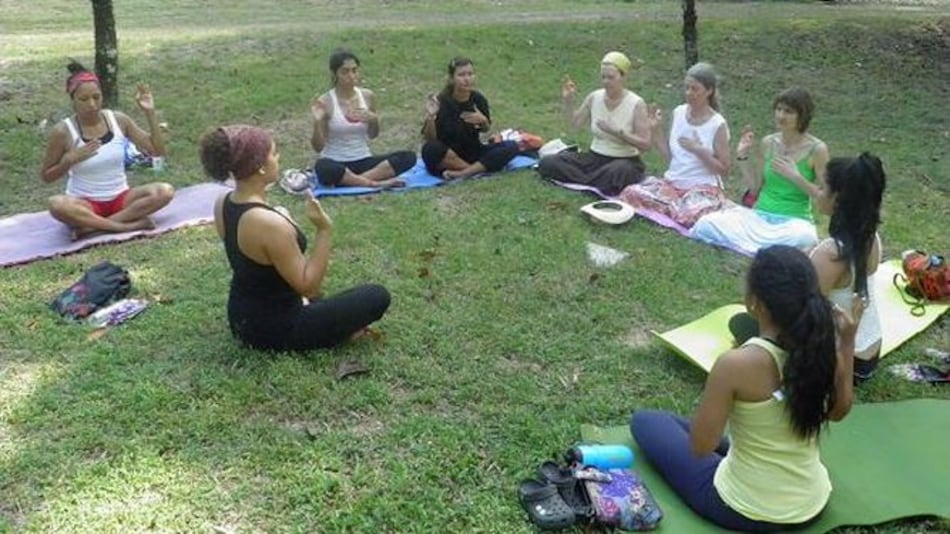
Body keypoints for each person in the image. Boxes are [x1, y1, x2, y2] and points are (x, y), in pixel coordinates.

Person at [631, 245, 861, 532]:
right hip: (811, 502)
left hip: (747, 509)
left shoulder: (736, 364)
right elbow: (839, 411)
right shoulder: (824, 347)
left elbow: (701, 446)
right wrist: (848, 343)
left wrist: (719, 385)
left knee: (647, 421)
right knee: (711, 434)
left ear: (755, 302)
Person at [200, 125, 390, 351]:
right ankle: (336, 331)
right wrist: (323, 230)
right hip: (276, 329)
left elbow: (251, 263)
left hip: (241, 318)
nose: (278, 157)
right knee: (376, 295)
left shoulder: (223, 202)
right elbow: (309, 287)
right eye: (273, 153)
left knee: (336, 303)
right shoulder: (268, 223)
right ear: (260, 167)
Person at [40, 60, 174, 239]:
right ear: (73, 100)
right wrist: (68, 160)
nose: (92, 105)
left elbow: (159, 154)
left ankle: (93, 228)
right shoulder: (63, 131)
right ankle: (126, 226)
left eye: (97, 97)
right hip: (85, 204)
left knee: (165, 191)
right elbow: (47, 176)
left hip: (122, 199)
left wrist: (149, 113)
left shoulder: (118, 120)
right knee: (56, 205)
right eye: (84, 99)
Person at [690, 87, 829, 254]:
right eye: (778, 109)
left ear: (803, 116)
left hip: (793, 222)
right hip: (758, 217)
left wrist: (795, 176)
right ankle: (766, 249)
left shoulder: (817, 149)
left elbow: (824, 197)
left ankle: (755, 248)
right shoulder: (768, 143)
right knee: (706, 224)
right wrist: (742, 157)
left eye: (788, 112)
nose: (781, 116)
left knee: (805, 238)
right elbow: (755, 188)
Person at [618, 62, 731, 227]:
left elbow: (725, 169)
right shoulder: (678, 112)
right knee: (631, 193)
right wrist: (656, 130)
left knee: (692, 215)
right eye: (687, 88)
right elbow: (671, 158)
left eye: (695, 89)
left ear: (709, 91)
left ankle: (675, 208)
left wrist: (699, 151)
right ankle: (674, 207)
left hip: (701, 188)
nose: (689, 93)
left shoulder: (717, 124)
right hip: (673, 185)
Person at [536, 51, 651, 196]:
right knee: (548, 163)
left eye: (611, 78)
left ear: (623, 77)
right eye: (603, 77)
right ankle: (595, 183)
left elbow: (645, 144)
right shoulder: (594, 97)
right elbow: (575, 125)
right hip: (594, 158)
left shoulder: (636, 103)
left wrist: (618, 132)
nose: (606, 82)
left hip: (624, 160)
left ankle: (590, 182)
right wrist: (569, 101)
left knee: (619, 172)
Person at [310, 49, 415, 189]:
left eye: (354, 70)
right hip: (336, 162)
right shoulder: (325, 101)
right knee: (323, 167)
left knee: (408, 157)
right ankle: (374, 183)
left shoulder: (367, 96)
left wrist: (373, 120)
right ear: (334, 73)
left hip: (364, 160)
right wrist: (317, 122)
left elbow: (372, 135)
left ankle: (351, 181)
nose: (351, 76)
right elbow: (318, 148)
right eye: (345, 71)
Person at [420, 57, 518, 180]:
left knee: (512, 146)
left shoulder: (478, 99)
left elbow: (485, 129)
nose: (467, 79)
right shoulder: (441, 101)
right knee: (430, 149)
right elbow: (430, 139)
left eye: (470, 74)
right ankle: (474, 170)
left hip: (474, 151)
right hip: (448, 156)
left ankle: (463, 173)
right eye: (461, 75)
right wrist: (431, 117)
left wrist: (484, 121)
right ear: (452, 79)